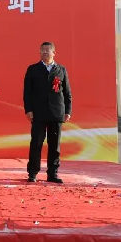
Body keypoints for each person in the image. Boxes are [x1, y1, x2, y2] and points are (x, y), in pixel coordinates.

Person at [24, 42, 72, 184]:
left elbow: (67, 92)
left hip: (56, 113)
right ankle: (32, 173)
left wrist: (68, 111)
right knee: (36, 143)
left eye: (47, 50)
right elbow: (27, 92)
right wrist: (28, 109)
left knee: (54, 145)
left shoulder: (61, 70)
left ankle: (53, 173)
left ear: (54, 53)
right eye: (42, 50)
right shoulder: (33, 69)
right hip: (38, 112)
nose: (44, 52)